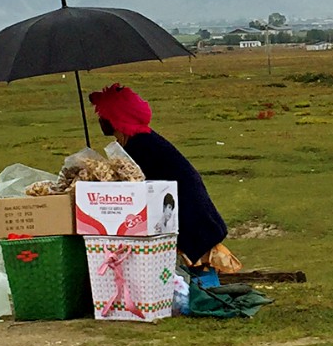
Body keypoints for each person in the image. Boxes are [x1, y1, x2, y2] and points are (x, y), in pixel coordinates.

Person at [88, 82, 235, 270]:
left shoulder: (141, 146)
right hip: (188, 214)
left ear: (115, 119)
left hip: (187, 217)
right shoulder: (141, 139)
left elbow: (133, 184)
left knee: (192, 275)